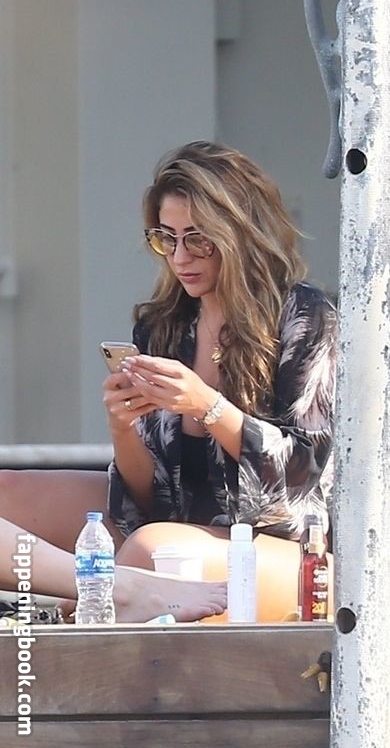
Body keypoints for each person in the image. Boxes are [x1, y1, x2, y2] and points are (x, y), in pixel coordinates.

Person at [0, 142, 337, 622]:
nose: (180, 257)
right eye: (167, 238)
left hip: (284, 548)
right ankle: (93, 599)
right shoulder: (165, 326)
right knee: (8, 491)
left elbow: (301, 478)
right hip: (174, 524)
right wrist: (123, 428)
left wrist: (208, 406)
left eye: (197, 239)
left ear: (240, 232)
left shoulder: (305, 316)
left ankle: (89, 607)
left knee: (151, 549)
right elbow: (148, 499)